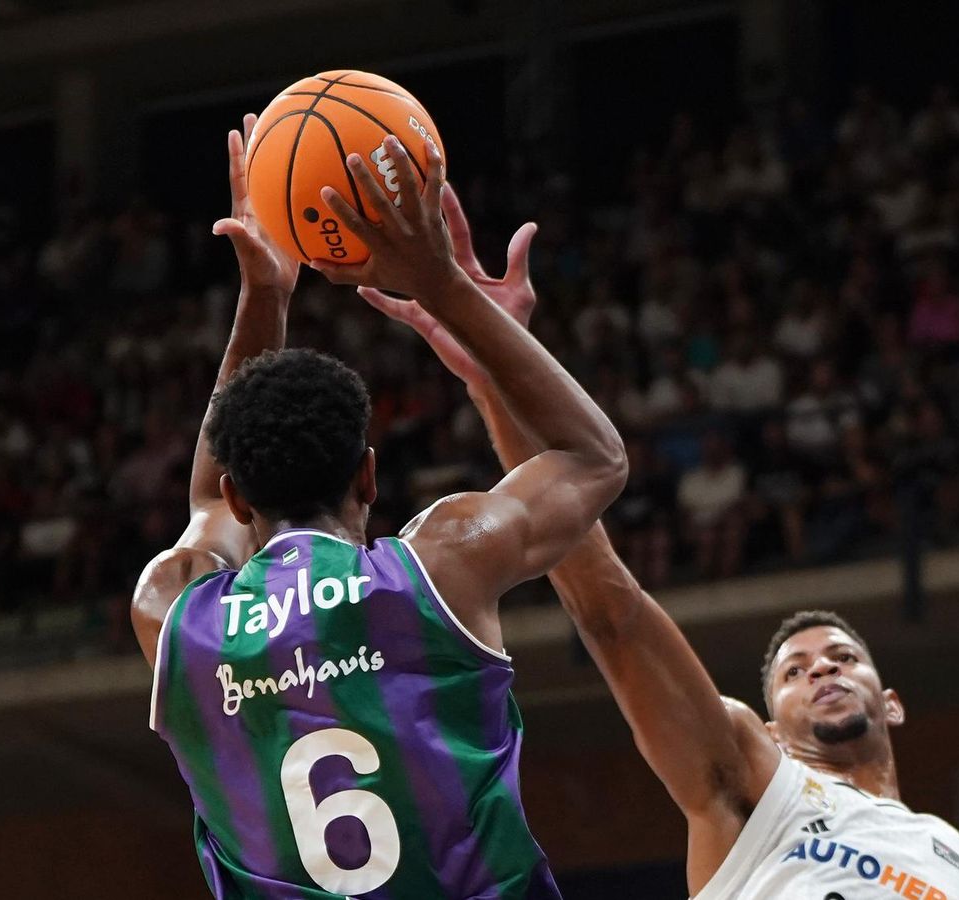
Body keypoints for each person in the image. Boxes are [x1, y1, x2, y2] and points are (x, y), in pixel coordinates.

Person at [364, 200, 959, 900]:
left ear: (894, 702)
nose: (823, 670)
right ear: (772, 729)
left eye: (843, 658)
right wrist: (493, 368)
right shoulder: (755, 777)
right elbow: (610, 607)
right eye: (795, 671)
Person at [132, 119, 626, 899]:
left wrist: (264, 293)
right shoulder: (443, 564)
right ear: (368, 476)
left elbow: (200, 502)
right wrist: (447, 288)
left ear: (235, 491)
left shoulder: (173, 611)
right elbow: (594, 456)